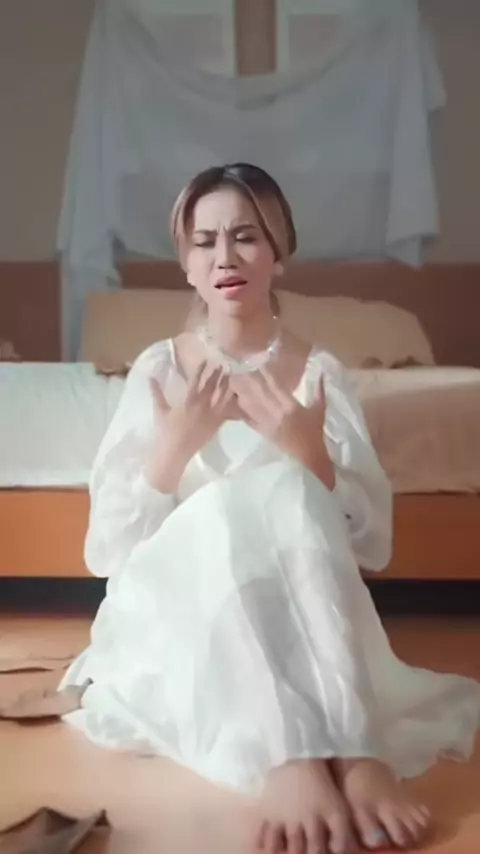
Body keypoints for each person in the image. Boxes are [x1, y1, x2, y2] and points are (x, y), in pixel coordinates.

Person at [61, 163, 480, 854]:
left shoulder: (319, 375)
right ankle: (294, 755)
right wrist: (174, 450)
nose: (224, 256)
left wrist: (309, 455)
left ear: (278, 253)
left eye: (246, 236)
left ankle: (355, 751)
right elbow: (109, 554)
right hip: (186, 611)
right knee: (223, 504)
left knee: (287, 487)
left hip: (306, 608)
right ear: (187, 266)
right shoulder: (158, 372)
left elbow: (370, 547)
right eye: (205, 242)